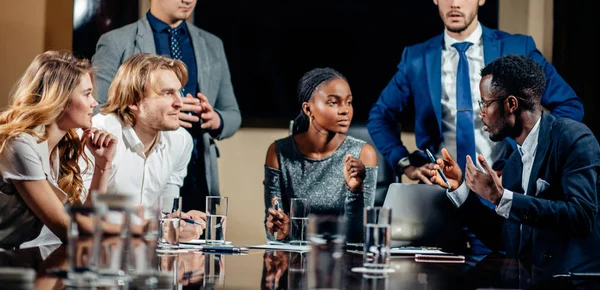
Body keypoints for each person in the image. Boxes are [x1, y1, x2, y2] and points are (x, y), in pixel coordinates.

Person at [367, 0, 583, 254]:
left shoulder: (517, 48)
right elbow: (379, 116)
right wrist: (405, 163)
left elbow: (569, 106)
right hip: (441, 197)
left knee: (500, 277)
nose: (455, 4)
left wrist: (522, 163)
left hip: (501, 195)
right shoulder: (417, 58)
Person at [431, 54, 600, 277]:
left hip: (570, 282)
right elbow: (504, 240)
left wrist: (502, 198)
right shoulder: (513, 164)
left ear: (511, 104)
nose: (480, 112)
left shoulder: (573, 138)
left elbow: (581, 216)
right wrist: (461, 188)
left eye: (485, 103)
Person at [92, 0, 241, 213]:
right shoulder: (116, 41)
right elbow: (98, 106)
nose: (188, 0)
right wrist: (155, 116)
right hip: (136, 155)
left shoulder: (212, 44)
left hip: (196, 163)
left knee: (188, 231)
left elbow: (233, 114)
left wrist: (215, 119)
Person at [0, 51, 120, 249]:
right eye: (87, 94)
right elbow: (70, 231)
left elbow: (86, 221)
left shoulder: (59, 148)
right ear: (60, 98)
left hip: (26, 261)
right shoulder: (20, 144)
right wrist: (139, 228)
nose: (94, 103)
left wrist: (103, 165)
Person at [83, 53, 205, 240]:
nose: (179, 103)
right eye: (167, 93)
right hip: (84, 250)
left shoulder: (181, 141)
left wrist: (179, 225)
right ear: (133, 101)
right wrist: (154, 230)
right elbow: (80, 216)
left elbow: (165, 214)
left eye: (179, 92)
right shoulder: (96, 135)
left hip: (141, 253)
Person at [263, 68, 378, 243]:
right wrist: (281, 232)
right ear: (308, 109)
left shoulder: (363, 154)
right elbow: (273, 231)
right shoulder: (279, 153)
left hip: (344, 264)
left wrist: (355, 190)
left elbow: (360, 238)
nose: (345, 110)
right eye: (333, 102)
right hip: (296, 264)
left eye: (349, 102)